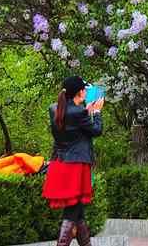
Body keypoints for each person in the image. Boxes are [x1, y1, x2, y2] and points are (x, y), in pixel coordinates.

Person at [42, 76, 103, 246]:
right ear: (80, 92)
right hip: (76, 166)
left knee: (78, 213)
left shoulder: (54, 109)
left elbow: (73, 126)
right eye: (84, 89)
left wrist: (86, 111)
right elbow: (96, 131)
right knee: (71, 212)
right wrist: (96, 113)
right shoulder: (78, 112)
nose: (86, 91)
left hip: (60, 164)